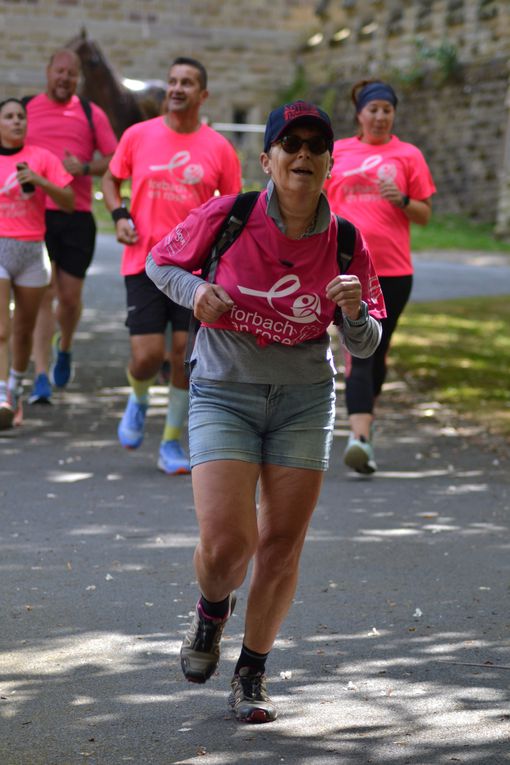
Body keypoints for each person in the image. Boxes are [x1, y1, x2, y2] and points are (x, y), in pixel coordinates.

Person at [146, 100, 386, 722]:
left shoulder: (347, 242)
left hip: (304, 397)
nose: (302, 153)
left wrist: (356, 312)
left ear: (331, 163)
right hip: (225, 385)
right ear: (269, 157)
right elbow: (160, 261)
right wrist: (196, 290)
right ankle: (210, 610)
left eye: (315, 145)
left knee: (280, 545)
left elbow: (367, 344)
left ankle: (251, 672)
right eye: (291, 143)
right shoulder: (232, 214)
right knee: (228, 546)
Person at [102, 56, 242, 475]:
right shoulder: (138, 136)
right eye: (172, 81)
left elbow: (233, 210)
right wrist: (119, 215)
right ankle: (139, 398)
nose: (177, 88)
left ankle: (170, 443)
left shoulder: (218, 148)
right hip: (144, 261)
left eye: (187, 83)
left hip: (194, 270)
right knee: (146, 356)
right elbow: (111, 179)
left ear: (203, 95)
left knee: (184, 355)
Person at [325, 80, 436, 475]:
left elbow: (424, 213)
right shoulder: (338, 152)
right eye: (373, 109)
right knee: (359, 352)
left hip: (394, 272)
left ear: (393, 114)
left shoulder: (408, 155)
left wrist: (402, 200)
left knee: (378, 352)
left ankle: (362, 429)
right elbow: (315, 202)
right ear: (360, 113)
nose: (380, 116)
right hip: (347, 267)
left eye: (387, 110)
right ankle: (359, 440)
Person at [24, 48, 117, 404]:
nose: (65, 78)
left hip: (76, 215)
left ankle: (65, 347)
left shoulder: (92, 115)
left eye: (71, 73)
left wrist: (85, 167)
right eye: (59, 71)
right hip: (34, 215)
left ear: (78, 78)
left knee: (69, 298)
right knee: (45, 293)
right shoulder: (28, 108)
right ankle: (41, 375)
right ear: (48, 71)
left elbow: (113, 159)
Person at [0, 98, 74, 430]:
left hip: (32, 251)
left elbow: (69, 202)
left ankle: (13, 390)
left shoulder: (42, 157)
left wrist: (41, 181)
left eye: (21, 117)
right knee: (1, 329)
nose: (17, 122)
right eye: (9, 117)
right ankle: (1, 394)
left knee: (23, 329)